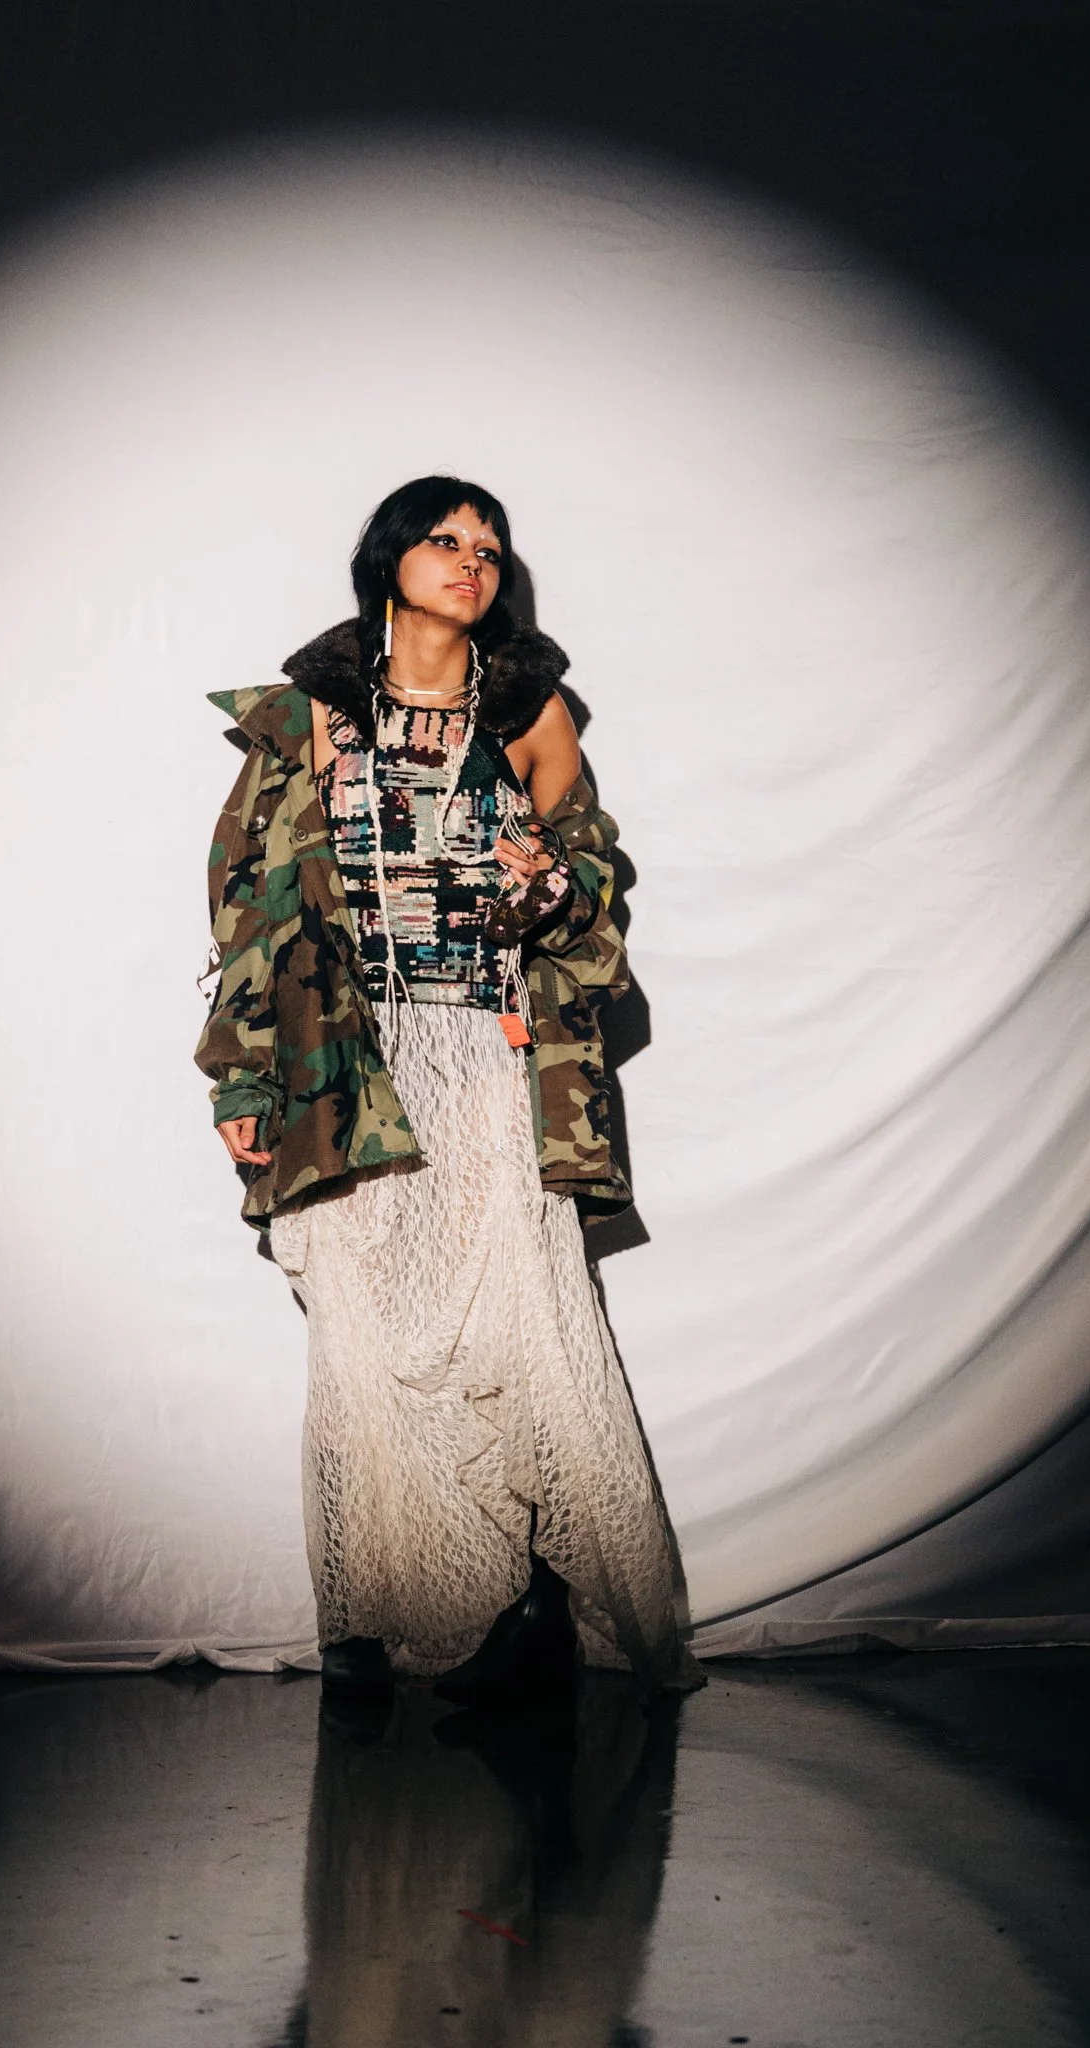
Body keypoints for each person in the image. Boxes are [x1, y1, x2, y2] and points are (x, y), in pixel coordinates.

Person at [196, 475, 701, 1702]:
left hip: (485, 1046)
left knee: (517, 1310)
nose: (471, 561)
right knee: (369, 1328)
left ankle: (545, 1594)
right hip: (343, 1053)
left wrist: (554, 884)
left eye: (490, 546)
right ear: (389, 559)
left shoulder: (531, 712)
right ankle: (400, 1613)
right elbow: (249, 905)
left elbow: (593, 877)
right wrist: (239, 1082)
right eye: (444, 539)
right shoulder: (310, 714)